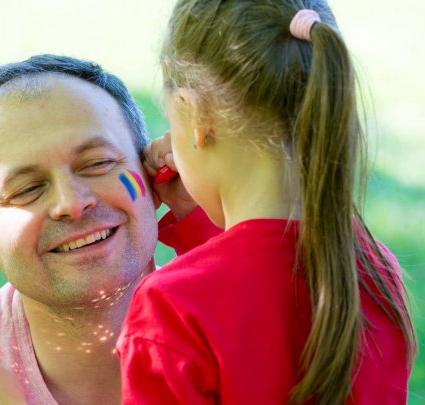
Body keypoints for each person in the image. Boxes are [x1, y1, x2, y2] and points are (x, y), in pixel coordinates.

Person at [0, 54, 220, 405]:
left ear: (154, 177)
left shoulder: (237, 336)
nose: (72, 203)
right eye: (27, 190)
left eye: (98, 163)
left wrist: (206, 216)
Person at [117, 1, 416, 404]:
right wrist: (200, 225)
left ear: (196, 114)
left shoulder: (170, 310)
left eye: (172, 122)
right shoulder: (374, 272)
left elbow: (233, 300)